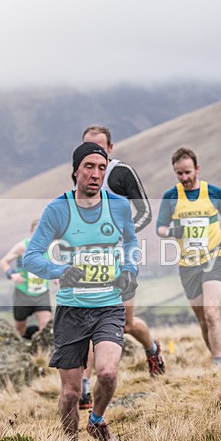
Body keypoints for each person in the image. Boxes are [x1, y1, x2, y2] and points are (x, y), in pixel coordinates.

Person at [23, 141, 139, 441]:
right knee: (71, 393)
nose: (96, 174)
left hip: (109, 305)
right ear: (75, 171)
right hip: (71, 310)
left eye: (102, 168)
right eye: (89, 167)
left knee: (108, 373)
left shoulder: (118, 206)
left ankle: (97, 420)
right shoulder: (58, 210)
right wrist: (60, 270)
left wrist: (129, 270)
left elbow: (130, 243)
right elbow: (31, 256)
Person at [79, 126, 162, 412]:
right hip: (91, 264)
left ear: (110, 148)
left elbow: (145, 212)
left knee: (126, 324)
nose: (93, 155)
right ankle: (84, 388)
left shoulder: (121, 173)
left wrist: (119, 234)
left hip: (123, 260)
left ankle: (152, 350)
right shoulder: (80, 177)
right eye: (88, 149)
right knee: (88, 324)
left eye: (99, 149)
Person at [156, 147, 221, 367]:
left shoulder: (213, 192)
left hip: (214, 258)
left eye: (187, 172)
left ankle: (219, 363)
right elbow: (160, 228)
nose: (184, 177)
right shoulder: (171, 196)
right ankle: (215, 355)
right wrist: (173, 232)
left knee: (212, 313)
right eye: (179, 174)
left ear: (197, 168)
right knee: (202, 318)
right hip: (188, 264)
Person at [0, 219, 53, 338]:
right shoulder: (23, 246)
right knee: (20, 328)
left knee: (46, 326)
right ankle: (20, 351)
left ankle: (42, 353)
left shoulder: (50, 247)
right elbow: (3, 262)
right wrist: (12, 273)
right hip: (23, 293)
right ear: (31, 233)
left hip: (42, 293)